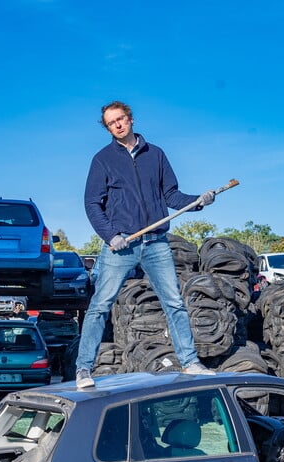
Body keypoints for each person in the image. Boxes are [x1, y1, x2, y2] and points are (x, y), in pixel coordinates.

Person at [75, 100, 217, 389]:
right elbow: (92, 204)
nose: (117, 125)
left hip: (155, 243)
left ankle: (190, 362)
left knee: (174, 303)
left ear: (131, 119)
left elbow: (172, 196)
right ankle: (83, 370)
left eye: (120, 119)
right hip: (121, 244)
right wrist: (110, 235)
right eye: (110, 122)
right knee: (99, 306)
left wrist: (197, 202)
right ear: (107, 127)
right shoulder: (102, 159)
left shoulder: (156, 155)